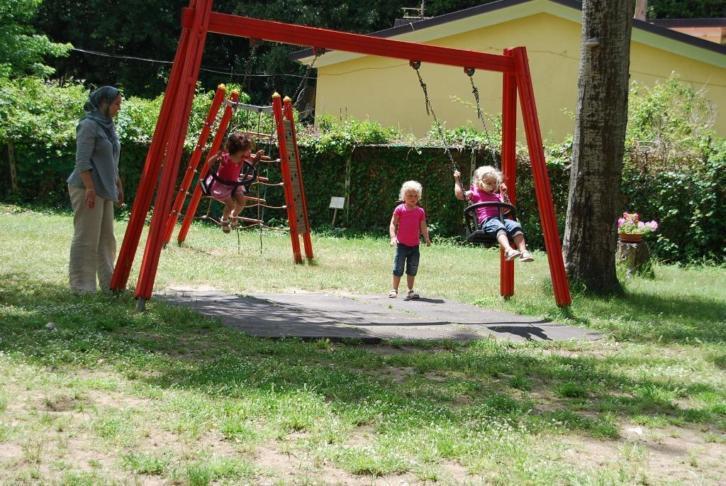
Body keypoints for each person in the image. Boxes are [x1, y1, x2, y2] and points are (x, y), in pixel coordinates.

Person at [67, 86, 123, 293]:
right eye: (116, 104)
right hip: (86, 187)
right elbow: (82, 160)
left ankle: (110, 285)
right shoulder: (88, 125)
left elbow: (112, 159)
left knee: (107, 239)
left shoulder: (109, 126)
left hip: (106, 188)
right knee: (86, 237)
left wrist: (118, 184)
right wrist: (90, 187)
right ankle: (82, 287)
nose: (118, 108)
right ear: (103, 103)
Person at [453, 166, 534, 262]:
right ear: (480, 183)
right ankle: (508, 250)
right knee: (499, 226)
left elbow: (505, 210)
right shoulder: (475, 193)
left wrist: (503, 194)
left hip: (500, 219)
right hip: (487, 221)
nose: (493, 186)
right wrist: (457, 180)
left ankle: (524, 252)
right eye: (489, 183)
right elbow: (460, 195)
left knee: (515, 225)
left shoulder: (497, 196)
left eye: (495, 183)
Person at [206, 133, 265, 233]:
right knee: (231, 205)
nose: (250, 151)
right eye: (248, 149)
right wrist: (217, 156)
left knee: (242, 202)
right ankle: (224, 220)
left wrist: (258, 157)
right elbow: (209, 163)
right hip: (221, 185)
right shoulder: (226, 158)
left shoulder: (243, 158)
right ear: (239, 150)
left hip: (234, 184)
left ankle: (234, 215)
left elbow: (254, 162)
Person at [389, 180, 431, 300]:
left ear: (419, 197)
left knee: (412, 268)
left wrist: (427, 238)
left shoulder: (420, 211)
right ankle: (394, 289)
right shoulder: (399, 209)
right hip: (401, 245)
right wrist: (393, 237)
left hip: (414, 246)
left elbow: (423, 226)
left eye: (415, 196)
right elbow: (393, 224)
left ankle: (410, 291)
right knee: (398, 267)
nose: (413, 198)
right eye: (409, 196)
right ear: (404, 196)